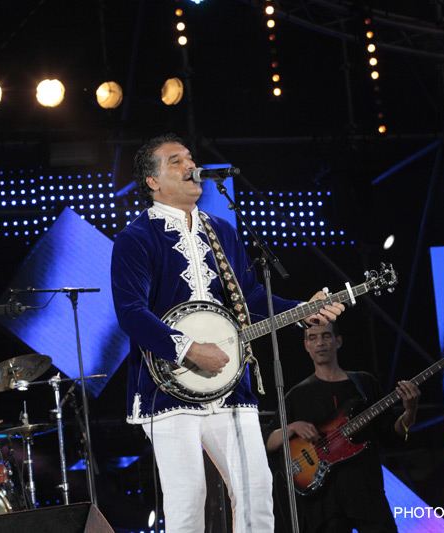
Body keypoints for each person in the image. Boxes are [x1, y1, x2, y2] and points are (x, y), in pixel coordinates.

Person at [110, 133, 345, 532]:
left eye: (190, 158)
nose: (190, 166)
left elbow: (249, 297)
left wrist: (303, 311)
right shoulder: (136, 238)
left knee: (257, 491)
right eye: (175, 161)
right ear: (152, 181)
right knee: (188, 501)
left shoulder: (222, 230)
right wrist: (188, 349)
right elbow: (131, 313)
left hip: (230, 382)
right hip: (167, 389)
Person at [265, 321, 420, 533]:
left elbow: (390, 435)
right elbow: (266, 441)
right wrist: (291, 428)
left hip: (366, 492)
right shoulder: (296, 396)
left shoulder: (364, 383)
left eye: (326, 336)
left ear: (338, 341)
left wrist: (410, 412)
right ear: (306, 345)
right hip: (324, 502)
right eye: (313, 338)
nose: (320, 343)